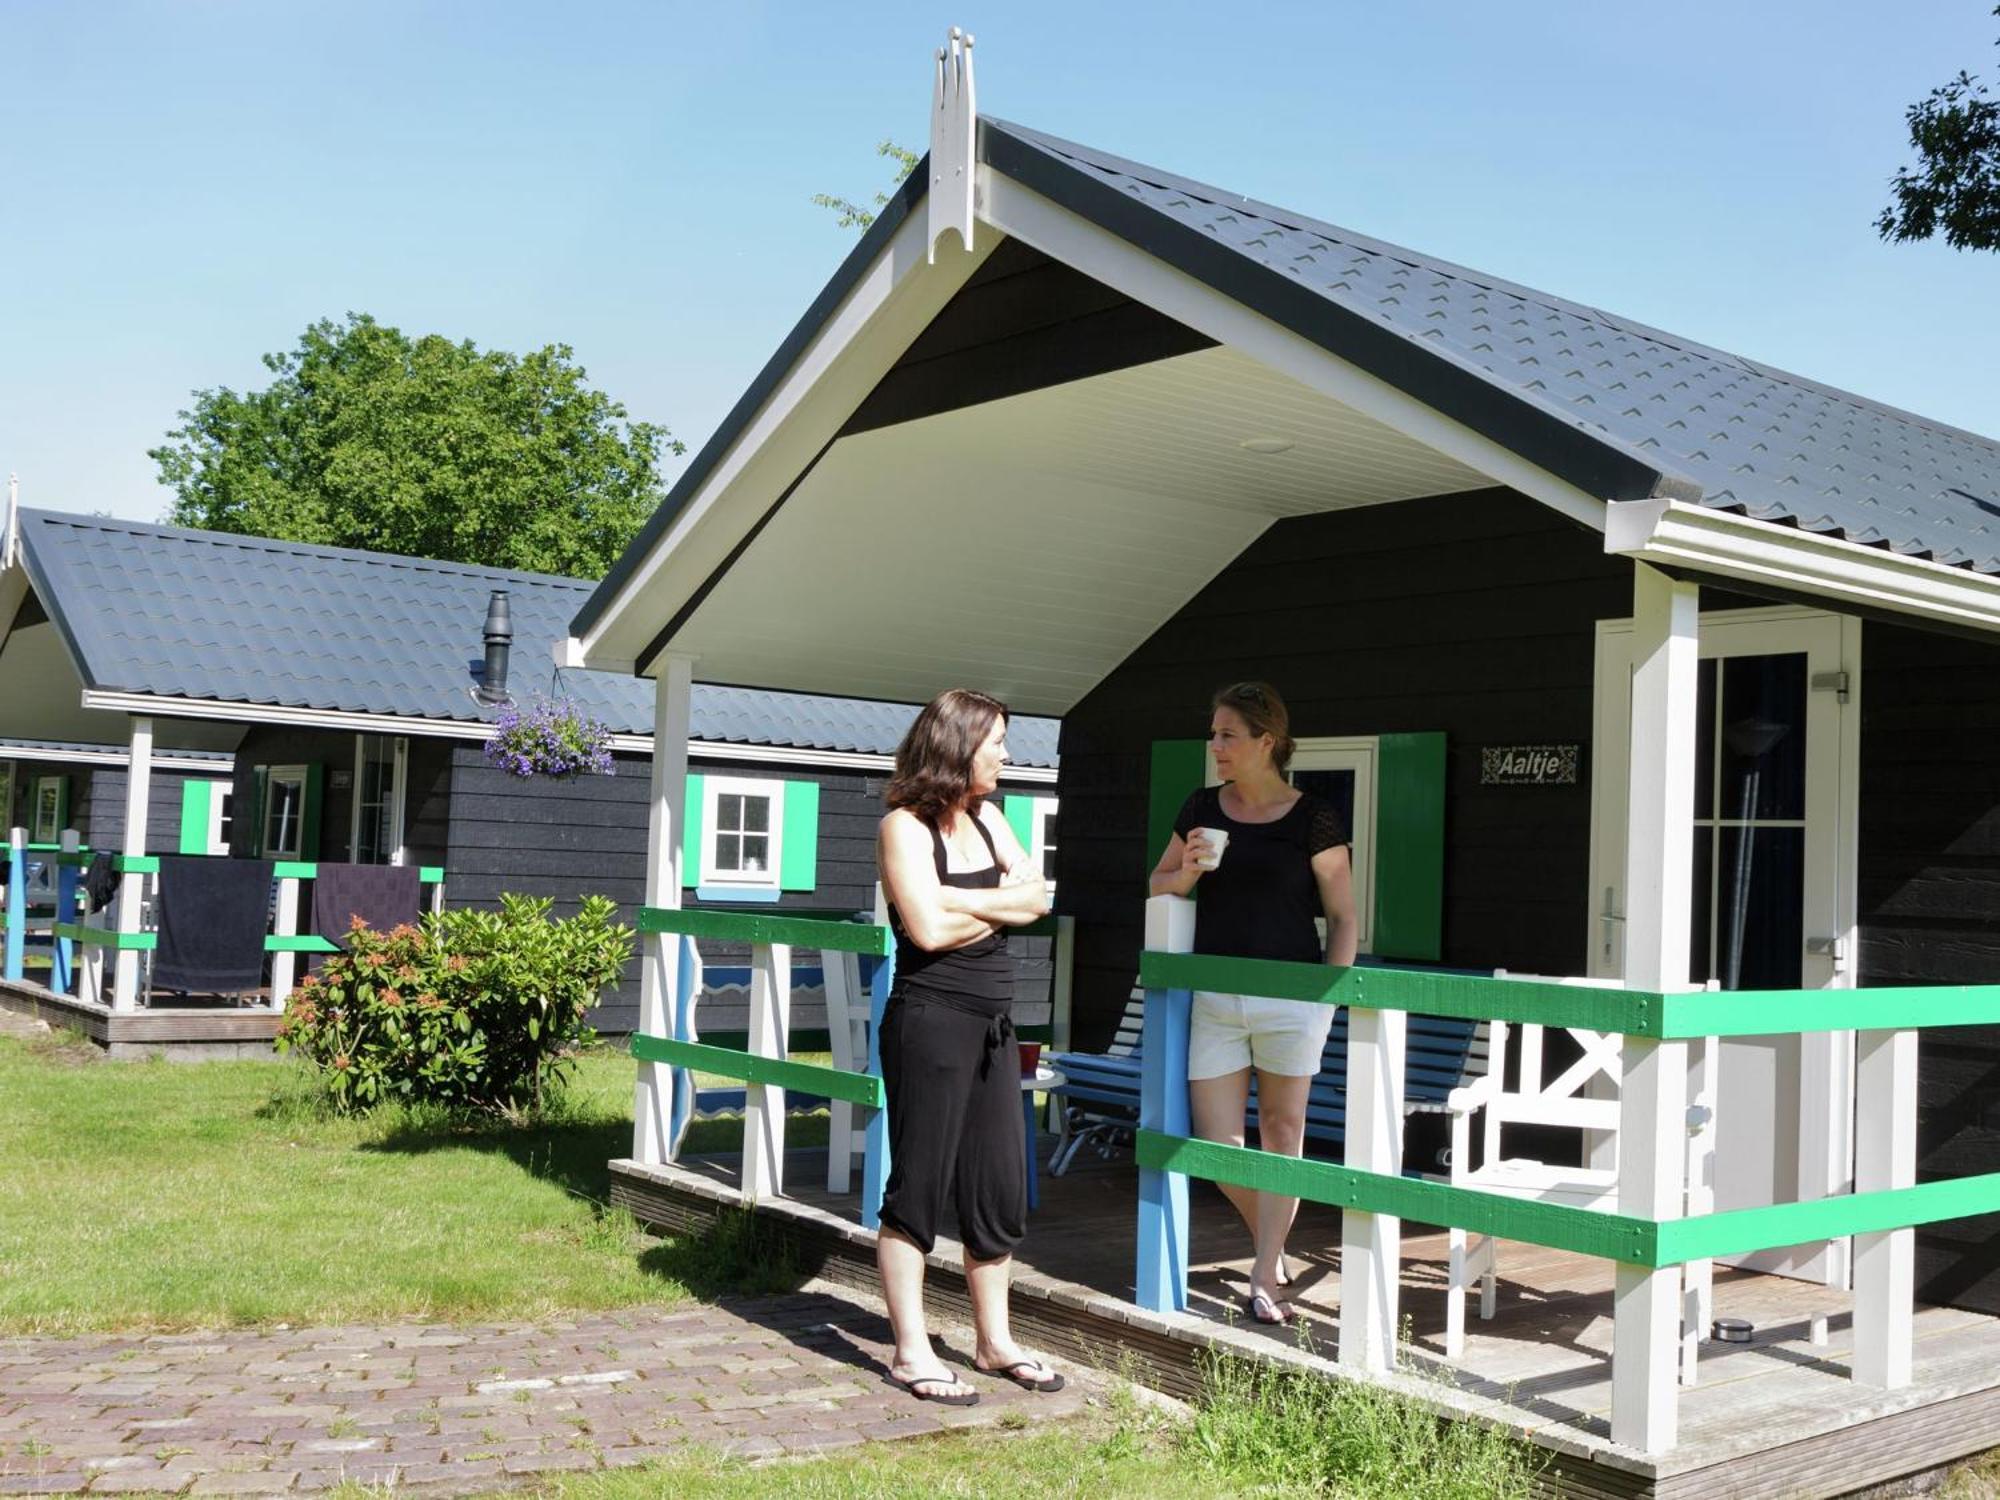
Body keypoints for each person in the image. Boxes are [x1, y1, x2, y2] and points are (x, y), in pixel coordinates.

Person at [874, 688, 1065, 1404]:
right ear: (958, 744)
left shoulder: (989, 818)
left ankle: (994, 1343)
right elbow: (922, 931)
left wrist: (957, 900)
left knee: (997, 1185)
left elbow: (1039, 898)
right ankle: (911, 1351)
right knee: (919, 1184)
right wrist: (993, 906)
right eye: (997, 742)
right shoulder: (904, 828)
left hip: (993, 1026)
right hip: (930, 1021)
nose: (1007, 756)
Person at [1147, 681, 1356, 1325]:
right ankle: (1276, 1239)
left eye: (1227, 735)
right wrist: (1190, 872)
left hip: (1294, 998)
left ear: (1267, 741)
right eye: (1213, 734)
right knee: (1215, 1142)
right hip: (1215, 994)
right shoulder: (1200, 806)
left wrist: (1328, 997)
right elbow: (1158, 885)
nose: (1215, 746)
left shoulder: (1313, 816)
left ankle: (1264, 1272)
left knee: (1282, 1134)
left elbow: (1345, 917)